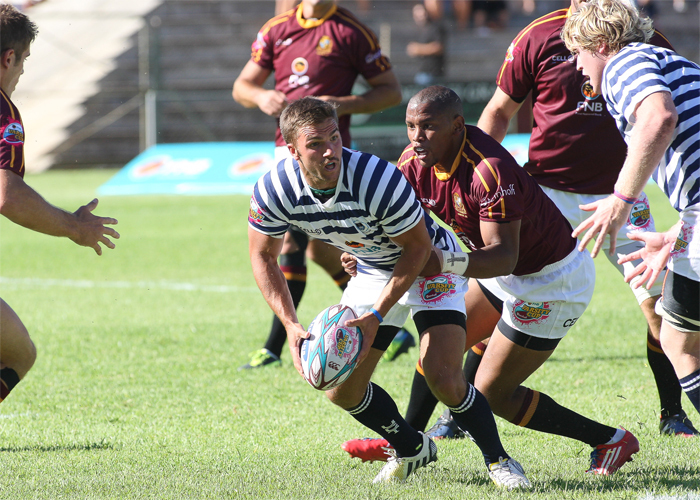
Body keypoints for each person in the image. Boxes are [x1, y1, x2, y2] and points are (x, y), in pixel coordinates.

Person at [342, 86, 640, 476]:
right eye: (411, 125)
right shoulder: (415, 162)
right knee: (440, 354)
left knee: (493, 393)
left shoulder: (488, 170)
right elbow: (396, 225)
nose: (416, 137)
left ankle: (609, 440)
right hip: (493, 269)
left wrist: (443, 261)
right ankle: (408, 443)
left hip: (548, 282)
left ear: (456, 125)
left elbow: (504, 256)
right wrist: (365, 252)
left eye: (428, 127)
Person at [248, 96, 530, 489]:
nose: (331, 150)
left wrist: (376, 317)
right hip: (372, 270)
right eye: (315, 144)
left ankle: (499, 461)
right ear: (292, 150)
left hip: (430, 264)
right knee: (340, 389)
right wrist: (291, 325)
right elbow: (262, 256)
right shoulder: (275, 189)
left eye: (334, 137)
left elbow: (416, 249)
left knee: (443, 377)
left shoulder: (373, 178)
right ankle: (411, 446)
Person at [472, 0, 696, 437]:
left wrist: (631, 197)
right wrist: (481, 181)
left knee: (660, 308)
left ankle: (672, 413)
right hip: (546, 196)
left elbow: (663, 115)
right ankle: (460, 410)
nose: (578, 66)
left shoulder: (636, 43)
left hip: (621, 197)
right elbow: (498, 112)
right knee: (501, 300)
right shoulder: (538, 35)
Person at [233, 0, 412, 370]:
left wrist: (340, 105)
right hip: (288, 154)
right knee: (317, 250)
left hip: (331, 157)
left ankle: (275, 344)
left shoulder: (351, 32)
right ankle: (390, 327)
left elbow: (391, 92)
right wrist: (261, 95)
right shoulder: (277, 29)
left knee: (294, 243)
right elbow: (242, 87)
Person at [561, 0, 699, 416]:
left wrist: (620, 201)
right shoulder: (661, 59)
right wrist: (678, 236)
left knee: (681, 345)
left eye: (578, 53)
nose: (577, 67)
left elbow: (659, 118)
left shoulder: (625, 62)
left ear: (601, 43)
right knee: (681, 340)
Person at [0, 4, 119, 404]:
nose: (22, 73)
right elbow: (6, 193)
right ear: (9, 57)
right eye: (25, 61)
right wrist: (75, 226)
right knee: (18, 354)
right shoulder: (3, 114)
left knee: (19, 351)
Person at [407, 3, 446, 86]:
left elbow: (438, 47)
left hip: (433, 73)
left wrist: (419, 49)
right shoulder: (417, 30)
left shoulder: (435, 27)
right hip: (421, 72)